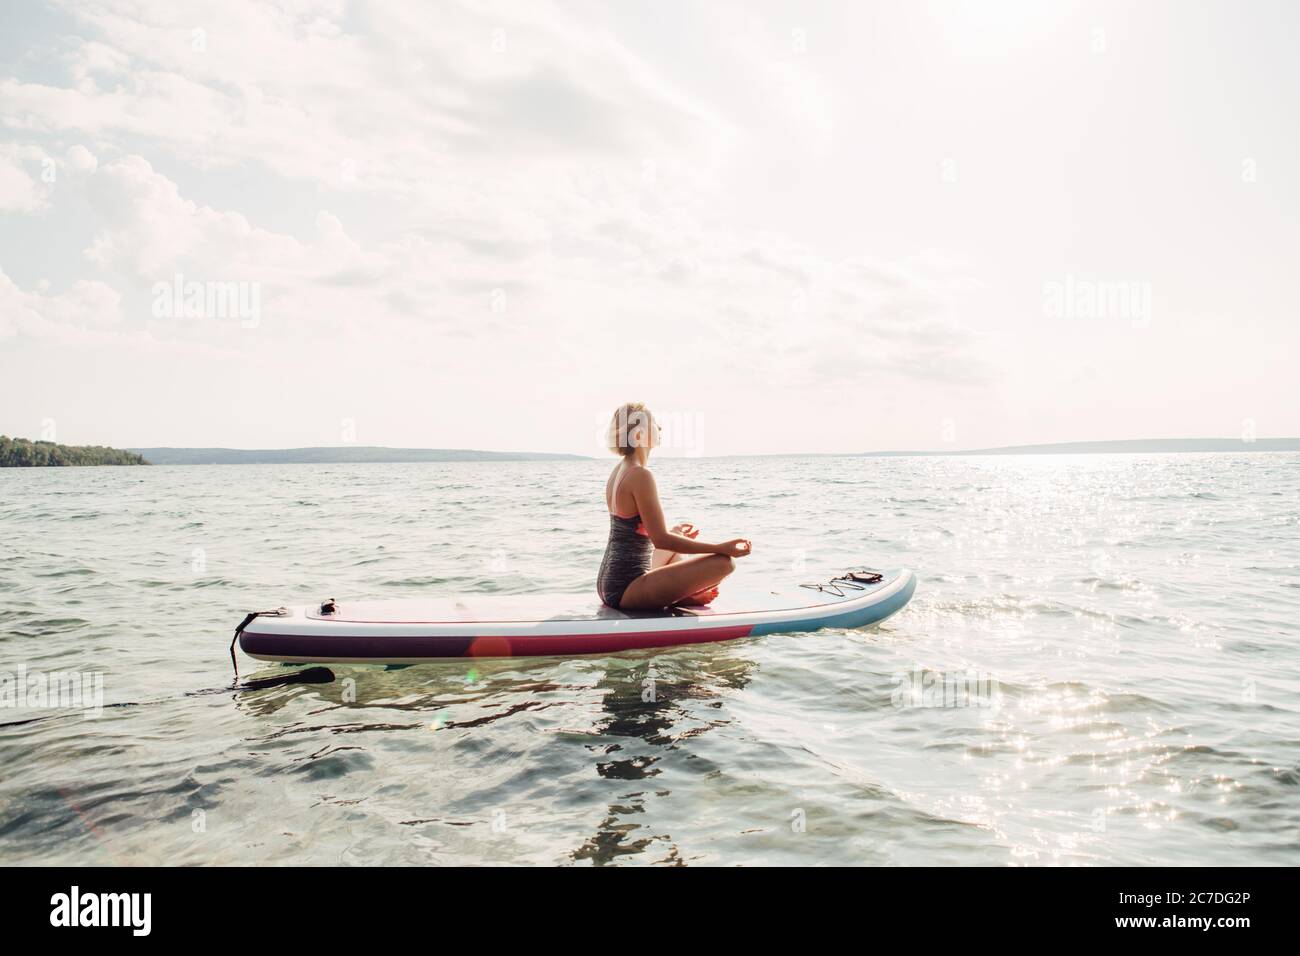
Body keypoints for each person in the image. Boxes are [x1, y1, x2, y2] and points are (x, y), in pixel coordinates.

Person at [596, 402, 751, 610]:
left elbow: (636, 535)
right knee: (724, 562)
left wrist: (675, 534)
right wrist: (719, 547)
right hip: (626, 588)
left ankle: (685, 596)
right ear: (639, 435)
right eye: (653, 423)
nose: (659, 428)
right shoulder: (640, 475)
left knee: (676, 556)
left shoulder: (620, 470)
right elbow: (661, 540)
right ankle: (687, 598)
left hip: (609, 582)